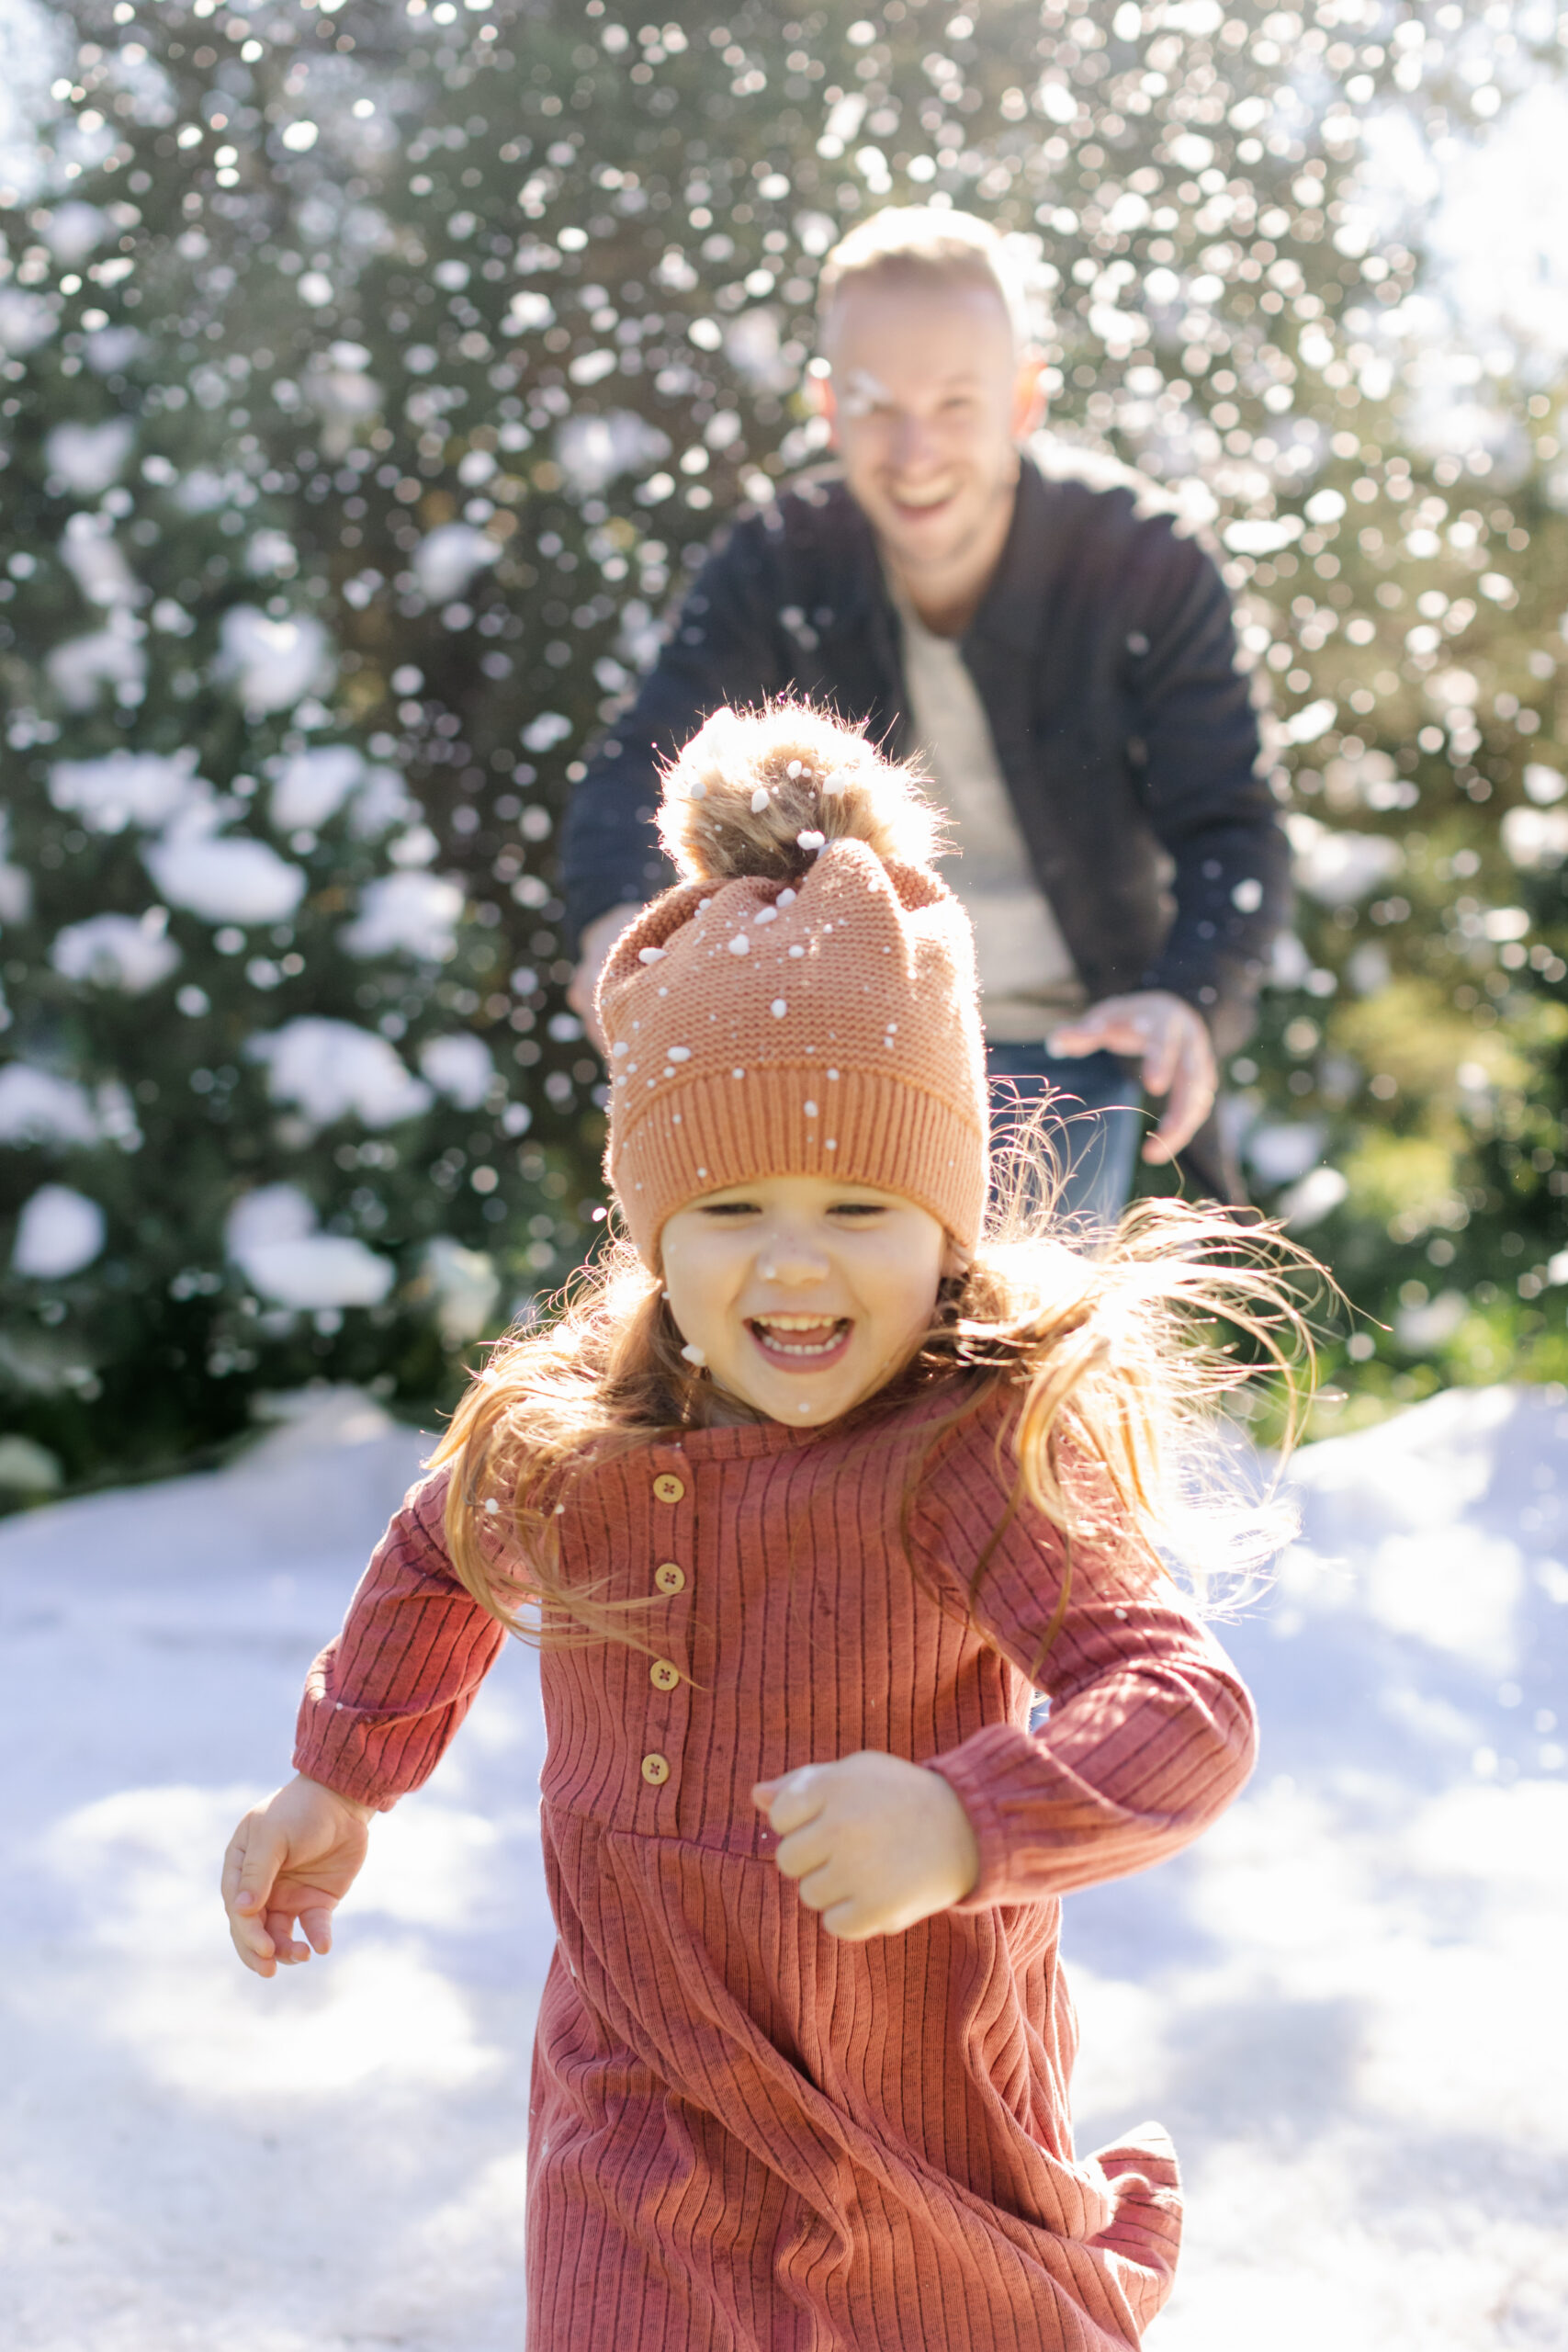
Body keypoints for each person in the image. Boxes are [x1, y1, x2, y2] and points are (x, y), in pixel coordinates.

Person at [222, 709, 1309, 2350]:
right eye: (728, 1212)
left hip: (913, 2102)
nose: (791, 1268)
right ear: (656, 1230)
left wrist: (964, 1820)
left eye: (859, 1211)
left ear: (944, 1229)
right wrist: (341, 1773)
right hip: (634, 2101)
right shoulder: (578, 1444)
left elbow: (1183, 1715)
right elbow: (443, 1547)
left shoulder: (964, 1457)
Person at [560, 206, 1289, 1224]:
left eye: (955, 404)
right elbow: (642, 767)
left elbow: (1232, 825)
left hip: (1082, 1037)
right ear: (826, 407)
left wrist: (1187, 995)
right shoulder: (780, 561)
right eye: (875, 407)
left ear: (1025, 400)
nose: (913, 453)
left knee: (994, 1351)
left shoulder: (1143, 562)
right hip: (843, 1023)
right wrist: (613, 927)